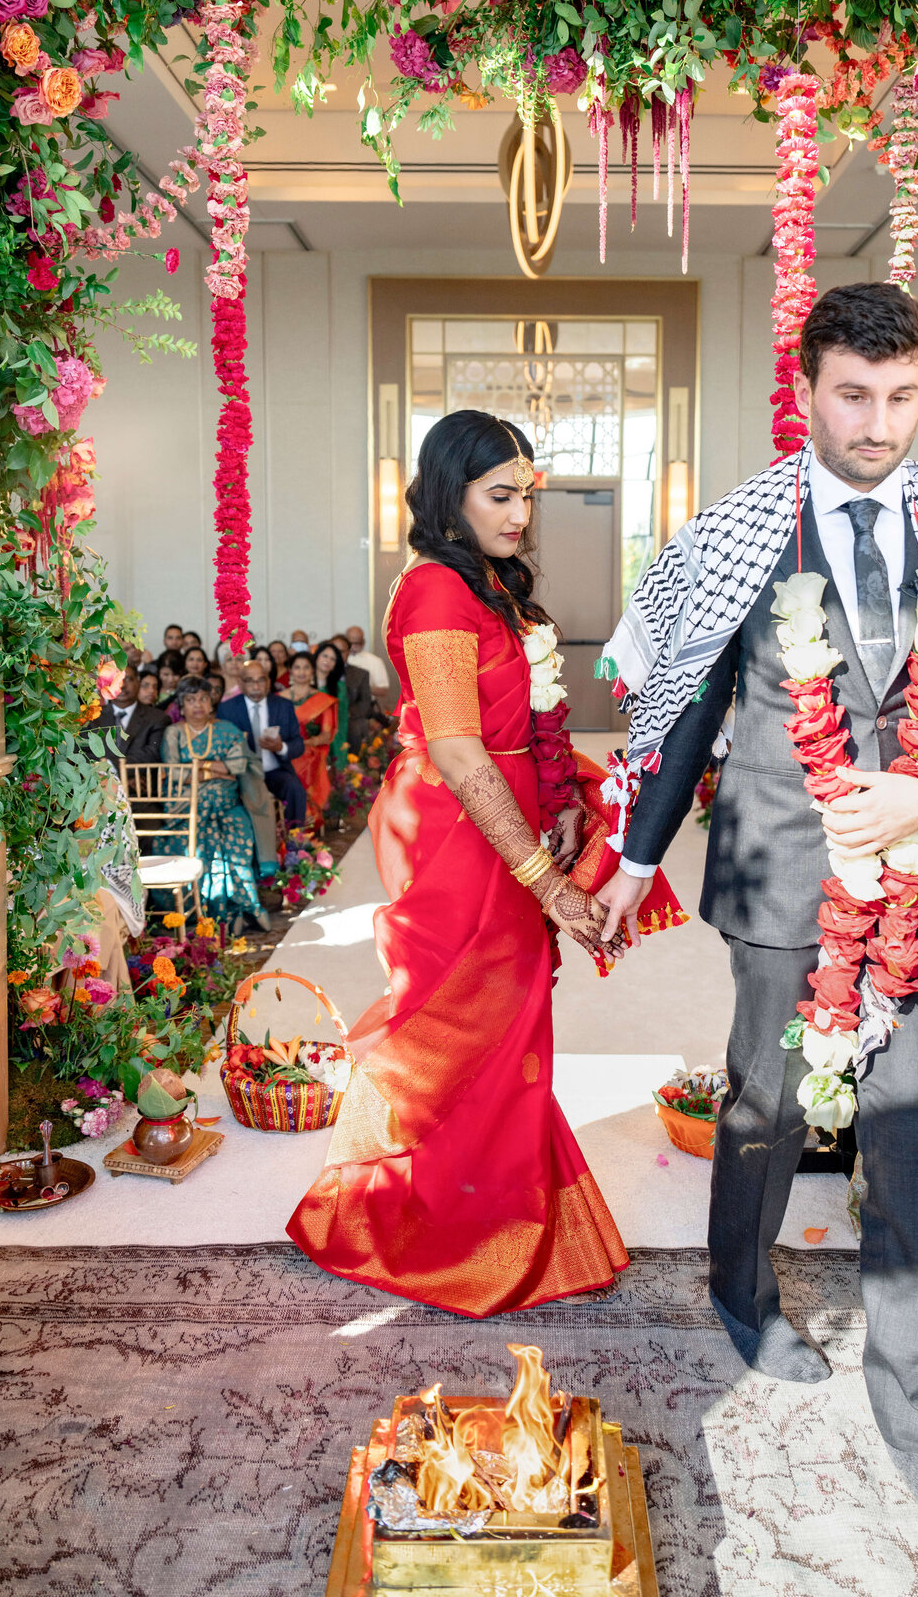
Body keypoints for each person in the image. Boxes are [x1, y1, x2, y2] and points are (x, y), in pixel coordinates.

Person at [595, 284, 918, 1541]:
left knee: (912, 1134)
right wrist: (635, 858)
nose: (878, 423)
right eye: (853, 395)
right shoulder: (736, 530)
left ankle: (910, 1408)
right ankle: (743, 1299)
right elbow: (683, 702)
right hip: (780, 869)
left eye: (901, 397)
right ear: (805, 392)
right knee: (765, 1109)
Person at [289, 409, 684, 1315]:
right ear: (445, 493)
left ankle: (492, 1207)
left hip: (503, 815)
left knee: (511, 1023)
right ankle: (439, 1227)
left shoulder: (493, 585)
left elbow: (520, 735)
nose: (519, 515)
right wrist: (542, 876)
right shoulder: (434, 588)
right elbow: (462, 753)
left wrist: (562, 813)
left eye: (526, 497)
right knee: (460, 1018)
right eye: (499, 496)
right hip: (454, 829)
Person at [157, 676, 264, 926]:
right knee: (187, 837)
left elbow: (238, 765)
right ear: (181, 706)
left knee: (239, 832)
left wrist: (197, 769)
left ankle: (236, 907)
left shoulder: (227, 730)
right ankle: (204, 909)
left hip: (228, 806)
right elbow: (173, 773)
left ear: (212, 702)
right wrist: (215, 770)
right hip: (186, 808)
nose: (198, 705)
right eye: (191, 700)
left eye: (203, 699)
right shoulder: (173, 733)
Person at [219, 659, 308, 826]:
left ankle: (295, 842)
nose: (256, 686)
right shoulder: (227, 709)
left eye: (261, 680)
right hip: (243, 774)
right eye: (249, 681)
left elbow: (298, 744)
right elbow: (222, 747)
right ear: (240, 683)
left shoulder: (283, 706)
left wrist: (280, 747)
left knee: (294, 788)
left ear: (268, 682)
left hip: (274, 771)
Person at [286, 648, 338, 824]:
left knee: (306, 760)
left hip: (311, 753)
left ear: (312, 671)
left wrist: (303, 744)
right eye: (297, 667)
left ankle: (306, 821)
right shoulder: (278, 698)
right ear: (291, 671)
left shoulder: (323, 700)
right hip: (283, 751)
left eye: (306, 667)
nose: (301, 672)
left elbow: (325, 735)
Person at [90, 664, 168, 768]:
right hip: (99, 781)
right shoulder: (93, 716)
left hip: (139, 782)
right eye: (115, 680)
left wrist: (115, 770)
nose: (122, 685)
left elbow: (152, 755)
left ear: (138, 682)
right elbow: (84, 754)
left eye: (127, 679)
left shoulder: (157, 718)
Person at [330, 633, 375, 750]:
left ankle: (353, 764)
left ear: (348, 652)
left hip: (350, 717)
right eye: (334, 650)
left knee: (355, 727)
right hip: (326, 716)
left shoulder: (361, 674)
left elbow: (365, 701)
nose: (338, 655)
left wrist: (345, 712)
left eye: (342, 651)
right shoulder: (320, 672)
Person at [343, 625, 391, 708]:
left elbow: (383, 690)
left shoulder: (375, 661)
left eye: (357, 643)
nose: (353, 646)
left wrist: (361, 687)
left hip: (366, 706)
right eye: (350, 643)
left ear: (363, 642)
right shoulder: (338, 658)